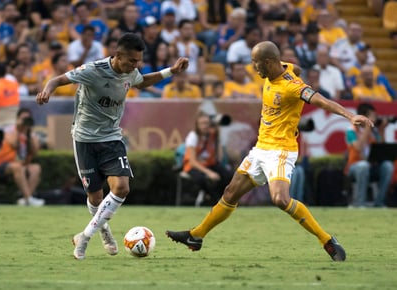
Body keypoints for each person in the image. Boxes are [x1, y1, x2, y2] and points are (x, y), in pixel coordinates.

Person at [166, 40, 373, 262]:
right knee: (230, 192)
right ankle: (196, 236)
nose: (254, 68)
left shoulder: (293, 86)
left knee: (280, 200)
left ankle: (327, 240)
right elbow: (296, 68)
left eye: (256, 63)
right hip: (261, 148)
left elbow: (320, 100)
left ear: (268, 62)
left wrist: (351, 116)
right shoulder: (283, 67)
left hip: (281, 150)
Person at [36, 33, 189, 260]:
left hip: (112, 138)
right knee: (95, 198)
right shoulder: (92, 71)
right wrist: (47, 91)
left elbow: (141, 81)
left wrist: (171, 72)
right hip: (84, 139)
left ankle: (85, 237)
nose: (136, 66)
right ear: (118, 56)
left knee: (122, 188)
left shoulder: (130, 72)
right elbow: (57, 80)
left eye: (138, 61)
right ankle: (104, 231)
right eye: (132, 61)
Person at [344, 103, 394, 208]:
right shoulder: (351, 130)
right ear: (364, 117)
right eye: (372, 116)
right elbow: (358, 147)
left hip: (371, 165)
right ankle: (359, 203)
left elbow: (382, 149)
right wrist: (367, 128)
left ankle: (379, 202)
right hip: (355, 166)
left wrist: (382, 130)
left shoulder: (374, 131)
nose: (375, 119)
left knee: (388, 166)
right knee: (363, 166)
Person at [0, 108, 44, 206]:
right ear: (18, 119)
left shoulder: (31, 134)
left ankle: (26, 199)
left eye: (27, 118)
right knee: (17, 167)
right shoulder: (9, 130)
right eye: (23, 118)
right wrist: (18, 128)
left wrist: (29, 133)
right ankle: (29, 199)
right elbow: (14, 144)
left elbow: (35, 151)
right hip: (3, 163)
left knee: (36, 168)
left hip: (21, 164)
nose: (25, 121)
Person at [182, 111, 233, 206]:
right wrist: (209, 173)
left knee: (228, 175)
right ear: (197, 125)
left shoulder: (212, 134)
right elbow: (192, 161)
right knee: (202, 179)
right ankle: (214, 201)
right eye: (202, 123)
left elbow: (219, 154)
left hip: (209, 163)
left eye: (207, 123)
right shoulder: (193, 136)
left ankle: (226, 200)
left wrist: (217, 127)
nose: (205, 126)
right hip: (193, 166)